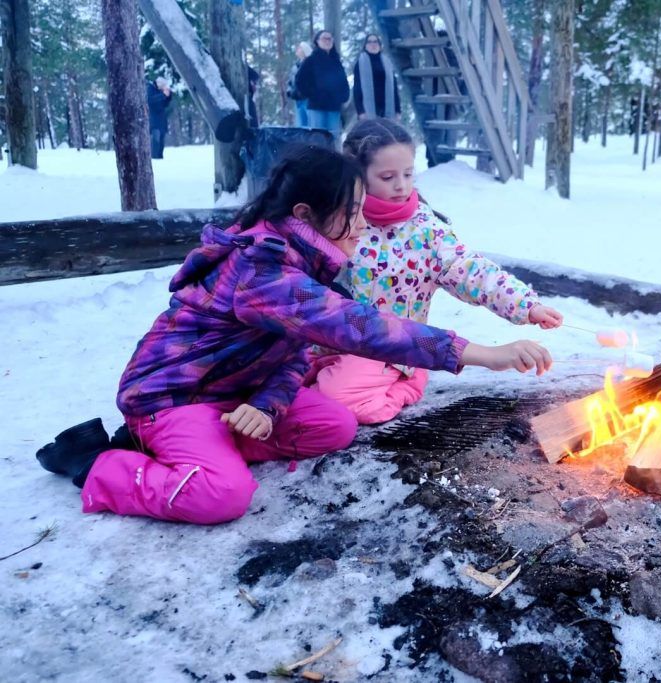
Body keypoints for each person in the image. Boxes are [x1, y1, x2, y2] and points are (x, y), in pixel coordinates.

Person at [35, 146, 552, 525]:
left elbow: (292, 351)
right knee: (223, 496)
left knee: (333, 425)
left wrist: (267, 403)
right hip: (170, 396)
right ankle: (101, 465)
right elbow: (357, 326)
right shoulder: (264, 271)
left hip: (232, 392)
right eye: (351, 212)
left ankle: (198, 449)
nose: (360, 223)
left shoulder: (302, 258)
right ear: (305, 215)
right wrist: (482, 353)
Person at [309, 119, 564, 425]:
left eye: (407, 174)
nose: (401, 185)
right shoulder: (337, 217)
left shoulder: (424, 230)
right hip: (325, 339)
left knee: (335, 403)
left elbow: (471, 270)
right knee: (286, 392)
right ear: (357, 174)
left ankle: (408, 383)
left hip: (389, 349)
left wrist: (526, 305)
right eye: (387, 176)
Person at [296, 30, 350, 136]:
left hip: (334, 107)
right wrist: (312, 94)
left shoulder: (336, 61)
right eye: (324, 38)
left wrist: (343, 96)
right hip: (317, 107)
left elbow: (343, 81)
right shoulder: (311, 60)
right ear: (317, 41)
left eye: (330, 38)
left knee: (334, 138)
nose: (327, 41)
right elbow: (300, 81)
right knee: (318, 138)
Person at [353, 34, 401, 121]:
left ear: (379, 45)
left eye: (375, 42)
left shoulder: (387, 63)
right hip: (368, 110)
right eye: (369, 42)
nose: (373, 44)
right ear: (365, 46)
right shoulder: (360, 63)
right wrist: (360, 111)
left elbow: (394, 88)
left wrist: (398, 110)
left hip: (387, 108)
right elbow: (357, 89)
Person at [287, 42, 313, 127]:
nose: (297, 50)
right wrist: (290, 91)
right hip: (298, 98)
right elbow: (291, 81)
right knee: (301, 123)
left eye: (299, 48)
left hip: (308, 98)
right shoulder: (296, 66)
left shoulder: (311, 64)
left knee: (310, 122)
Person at [147, 77, 173, 159]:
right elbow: (151, 101)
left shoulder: (160, 91)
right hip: (153, 119)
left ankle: (160, 157)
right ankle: (154, 158)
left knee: (161, 139)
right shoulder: (150, 89)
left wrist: (168, 96)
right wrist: (163, 95)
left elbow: (165, 104)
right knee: (156, 139)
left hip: (161, 119)